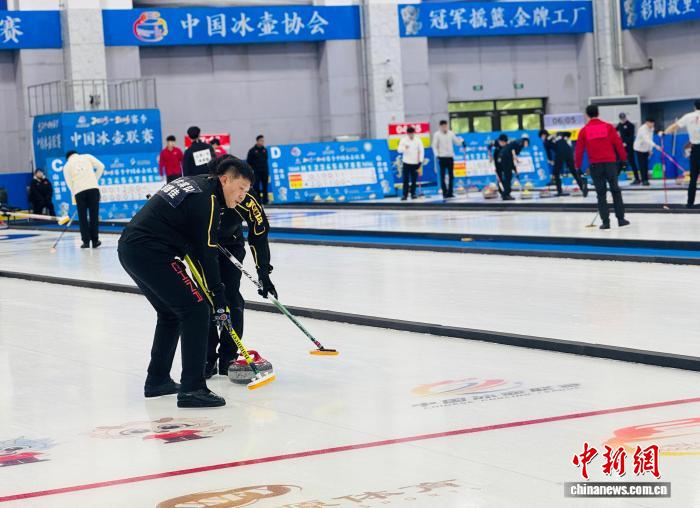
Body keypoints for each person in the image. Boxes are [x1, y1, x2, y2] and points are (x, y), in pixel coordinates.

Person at [118, 155, 255, 408]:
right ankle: (192, 388)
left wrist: (216, 292)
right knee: (197, 310)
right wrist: (217, 294)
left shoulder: (199, 184)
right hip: (152, 253)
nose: (242, 197)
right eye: (241, 189)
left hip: (131, 249)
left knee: (171, 314)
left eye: (246, 192)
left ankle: (157, 380)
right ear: (225, 180)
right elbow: (206, 252)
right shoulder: (208, 199)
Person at [205, 187, 276, 377]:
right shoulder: (204, 191)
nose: (242, 192)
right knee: (206, 298)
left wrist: (263, 272)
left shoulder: (247, 196)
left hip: (231, 244)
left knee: (232, 298)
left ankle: (228, 356)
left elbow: (259, 233)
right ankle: (206, 357)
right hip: (202, 246)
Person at [575, 105, 630, 230]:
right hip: (610, 164)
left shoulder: (584, 131)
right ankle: (621, 219)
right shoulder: (608, 127)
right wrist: (623, 159)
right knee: (615, 190)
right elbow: (618, 143)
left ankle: (605, 222)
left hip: (595, 166)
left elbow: (579, 151)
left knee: (601, 194)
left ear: (587, 115)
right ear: (598, 113)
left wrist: (578, 166)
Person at [63, 151, 104, 248]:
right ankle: (95, 240)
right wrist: (94, 179)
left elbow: (69, 183)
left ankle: (86, 242)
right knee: (94, 215)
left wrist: (74, 193)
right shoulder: (87, 156)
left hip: (79, 191)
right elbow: (101, 166)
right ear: (77, 154)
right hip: (93, 188)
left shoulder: (67, 165)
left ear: (68, 158)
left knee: (82, 217)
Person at [665, 99, 700, 208]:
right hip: (695, 147)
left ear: (694, 107)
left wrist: (664, 133)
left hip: (695, 150)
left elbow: (674, 127)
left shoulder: (688, 116)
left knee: (693, 178)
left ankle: (690, 203)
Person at [431, 120, 464, 198]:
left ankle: (450, 192)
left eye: (446, 126)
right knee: (442, 175)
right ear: (440, 127)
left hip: (450, 157)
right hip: (442, 157)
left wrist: (461, 141)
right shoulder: (437, 134)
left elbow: (457, 142)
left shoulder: (451, 133)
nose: (444, 128)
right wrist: (436, 155)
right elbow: (434, 146)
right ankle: (444, 192)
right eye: (443, 126)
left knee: (451, 175)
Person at [552, 132, 588, 197]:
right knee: (572, 172)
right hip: (566, 155)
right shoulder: (562, 142)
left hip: (564, 155)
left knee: (560, 172)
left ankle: (582, 187)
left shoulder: (562, 141)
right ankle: (582, 188)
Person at [494, 134, 528, 201]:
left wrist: (514, 169)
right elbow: (499, 160)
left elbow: (511, 158)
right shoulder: (500, 149)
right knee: (505, 179)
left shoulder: (508, 147)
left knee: (507, 179)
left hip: (507, 165)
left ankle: (506, 194)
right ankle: (505, 194)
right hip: (503, 166)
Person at [397, 126, 424, 200]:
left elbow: (421, 151)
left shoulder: (418, 140)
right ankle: (404, 195)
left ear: (414, 133)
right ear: (407, 133)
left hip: (415, 162)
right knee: (405, 179)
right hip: (406, 162)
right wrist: (404, 148)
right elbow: (399, 150)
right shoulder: (403, 140)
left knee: (414, 179)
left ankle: (413, 194)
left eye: (412, 134)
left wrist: (420, 161)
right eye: (409, 134)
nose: (411, 135)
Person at [633, 117, 659, 186]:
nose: (652, 124)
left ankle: (646, 179)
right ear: (647, 122)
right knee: (642, 165)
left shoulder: (652, 128)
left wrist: (650, 149)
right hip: (639, 148)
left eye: (653, 123)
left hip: (646, 148)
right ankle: (643, 180)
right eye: (651, 123)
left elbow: (651, 138)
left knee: (646, 165)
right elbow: (646, 139)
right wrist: (655, 146)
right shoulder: (642, 129)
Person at [246, 135, 270, 204]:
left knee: (265, 186)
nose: (262, 142)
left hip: (264, 171)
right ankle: (258, 200)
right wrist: (252, 170)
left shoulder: (264, 150)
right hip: (256, 172)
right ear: (257, 141)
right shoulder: (252, 150)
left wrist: (267, 170)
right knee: (256, 187)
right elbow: (248, 162)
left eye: (263, 141)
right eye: (261, 140)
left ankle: (265, 200)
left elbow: (266, 160)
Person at [616, 113, 639, 182]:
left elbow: (631, 137)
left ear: (625, 118)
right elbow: (614, 130)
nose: (623, 120)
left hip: (629, 147)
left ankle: (637, 178)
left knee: (632, 162)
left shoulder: (630, 125)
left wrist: (626, 143)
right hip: (622, 147)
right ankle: (615, 178)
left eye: (623, 118)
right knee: (620, 162)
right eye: (621, 119)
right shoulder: (620, 125)